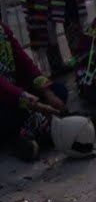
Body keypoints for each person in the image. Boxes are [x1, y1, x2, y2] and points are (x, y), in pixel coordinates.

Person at [1, 21, 71, 161]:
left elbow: (24, 63)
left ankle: (32, 130)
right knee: (7, 116)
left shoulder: (2, 30)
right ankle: (23, 136)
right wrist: (36, 104)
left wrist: (48, 94)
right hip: (7, 100)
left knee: (59, 91)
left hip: (17, 95)